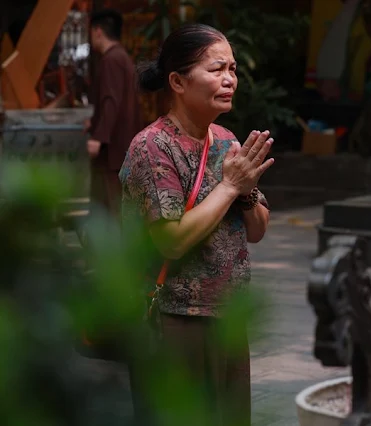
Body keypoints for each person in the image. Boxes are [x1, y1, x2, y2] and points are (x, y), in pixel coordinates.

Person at [119, 23, 273, 426]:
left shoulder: (225, 140)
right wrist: (230, 186)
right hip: (174, 320)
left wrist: (246, 192)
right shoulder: (153, 146)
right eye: (216, 69)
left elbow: (257, 230)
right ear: (177, 82)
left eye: (232, 69)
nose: (229, 79)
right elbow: (171, 241)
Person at [86, 9, 142, 223]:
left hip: (113, 150)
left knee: (112, 209)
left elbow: (111, 101)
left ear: (98, 31)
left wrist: (98, 138)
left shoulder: (111, 59)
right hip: (119, 147)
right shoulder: (120, 57)